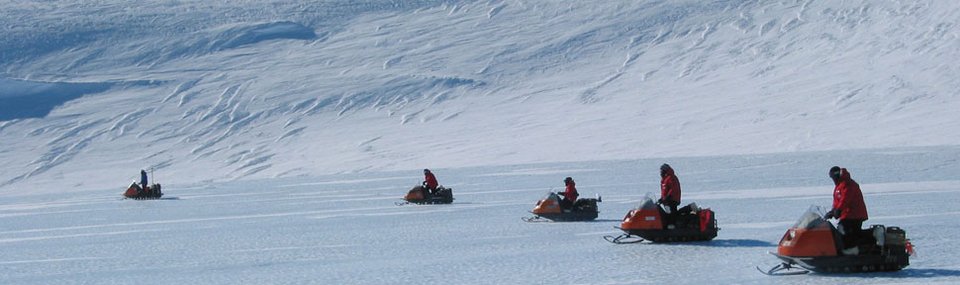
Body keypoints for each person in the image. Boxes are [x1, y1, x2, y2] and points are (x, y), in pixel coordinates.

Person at [823, 166, 869, 255]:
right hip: (847, 214)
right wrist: (832, 211)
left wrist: (838, 210)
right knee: (842, 230)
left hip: (855, 214)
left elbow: (845, 199)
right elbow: (837, 201)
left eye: (833, 177)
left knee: (845, 229)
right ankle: (845, 249)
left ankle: (852, 250)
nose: (833, 179)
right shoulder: (839, 186)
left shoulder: (848, 184)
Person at [659, 163, 681, 228]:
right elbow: (664, 191)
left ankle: (672, 226)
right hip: (667, 199)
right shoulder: (664, 179)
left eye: (662, 171)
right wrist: (662, 198)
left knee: (672, 213)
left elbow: (673, 189)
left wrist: (668, 196)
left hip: (672, 199)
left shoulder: (671, 178)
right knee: (666, 213)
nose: (660, 172)